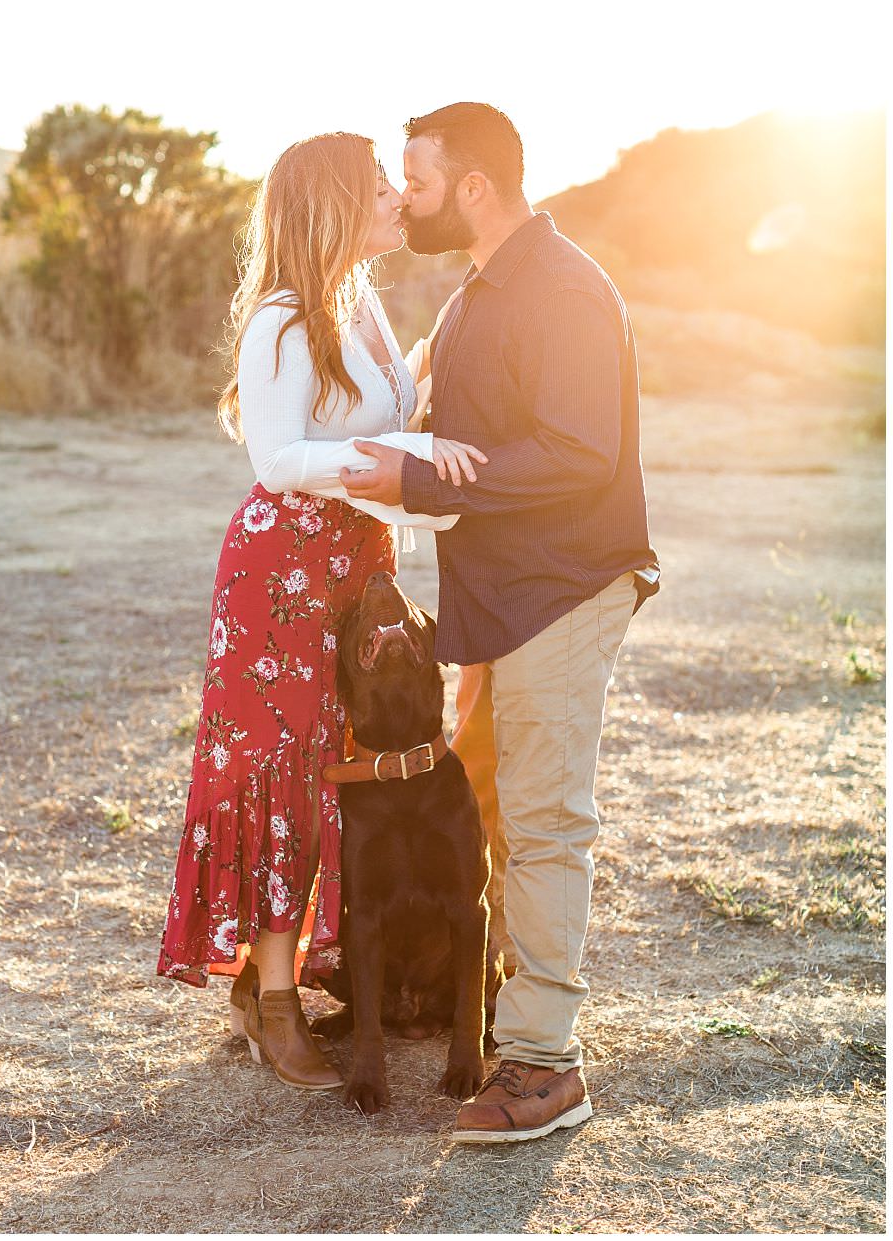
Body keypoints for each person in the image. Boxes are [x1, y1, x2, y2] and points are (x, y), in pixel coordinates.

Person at [342, 102, 659, 1143]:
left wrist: (421, 470)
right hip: (506, 594)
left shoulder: (563, 288)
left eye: (416, 178)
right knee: (510, 816)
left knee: (543, 819)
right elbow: (459, 441)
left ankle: (543, 1066)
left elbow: (580, 453)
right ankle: (519, 1030)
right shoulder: (477, 291)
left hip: (564, 586)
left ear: (473, 185)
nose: (404, 196)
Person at [156, 131, 486, 1093]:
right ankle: (272, 1000)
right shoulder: (281, 319)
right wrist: (380, 465)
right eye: (380, 185)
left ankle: (313, 967)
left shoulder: (362, 306)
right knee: (288, 777)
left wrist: (433, 417)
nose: (397, 197)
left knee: (344, 771)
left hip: (354, 563)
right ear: (337, 205)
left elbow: (392, 410)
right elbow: (275, 457)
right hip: (283, 569)